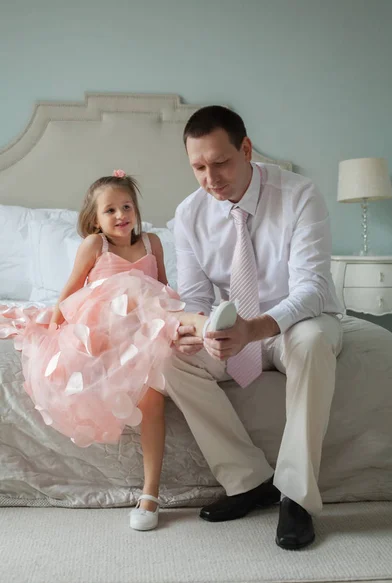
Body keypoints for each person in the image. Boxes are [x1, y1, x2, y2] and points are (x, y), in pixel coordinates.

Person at [0, 170, 237, 532]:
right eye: (110, 210)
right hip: (106, 335)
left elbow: (164, 294)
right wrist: (53, 336)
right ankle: (204, 324)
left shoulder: (153, 243)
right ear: (95, 220)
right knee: (129, 289)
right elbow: (68, 293)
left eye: (126, 206)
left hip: (144, 331)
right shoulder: (95, 246)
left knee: (152, 395)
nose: (121, 215)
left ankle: (150, 494)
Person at [163, 106, 344, 550]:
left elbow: (313, 289)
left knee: (314, 341)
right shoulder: (188, 215)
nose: (211, 178)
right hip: (234, 328)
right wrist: (199, 327)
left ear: (246, 149)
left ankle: (296, 497)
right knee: (167, 358)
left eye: (220, 162)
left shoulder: (299, 194)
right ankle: (249, 481)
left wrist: (255, 328)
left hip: (293, 321)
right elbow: (195, 300)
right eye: (199, 167)